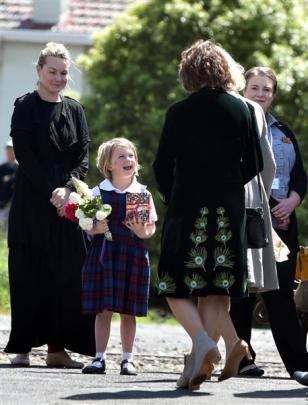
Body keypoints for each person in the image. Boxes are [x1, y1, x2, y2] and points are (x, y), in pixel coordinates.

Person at [152, 40, 262, 390]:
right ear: (225, 69)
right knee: (218, 288)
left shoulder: (178, 112)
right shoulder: (243, 110)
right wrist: (228, 186)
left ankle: (202, 344)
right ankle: (218, 353)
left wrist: (174, 194)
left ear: (189, 72)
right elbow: (255, 163)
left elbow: (161, 165)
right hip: (230, 207)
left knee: (173, 281)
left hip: (187, 205)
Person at [4, 42, 95, 367]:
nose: (58, 78)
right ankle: (23, 348)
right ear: (39, 71)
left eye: (64, 73)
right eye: (52, 71)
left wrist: (68, 189)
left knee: (68, 274)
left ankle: (58, 350)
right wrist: (52, 191)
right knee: (28, 274)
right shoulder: (25, 105)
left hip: (68, 203)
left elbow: (82, 156)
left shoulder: (75, 110)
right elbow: (25, 155)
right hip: (32, 202)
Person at [230, 66, 308, 385]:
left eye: (267, 89)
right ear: (242, 90)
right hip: (250, 217)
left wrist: (292, 202)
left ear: (274, 94)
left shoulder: (284, 131)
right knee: (244, 293)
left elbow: (300, 176)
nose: (261, 94)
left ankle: (299, 366)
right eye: (255, 88)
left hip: (284, 223)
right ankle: (242, 360)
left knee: (281, 297)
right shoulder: (234, 127)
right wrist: (275, 206)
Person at [81, 137, 157, 376]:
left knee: (128, 311)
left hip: (132, 255)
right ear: (108, 165)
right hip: (104, 254)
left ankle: (127, 359)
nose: (128, 160)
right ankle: (99, 358)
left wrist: (140, 231)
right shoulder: (97, 191)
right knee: (103, 310)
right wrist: (95, 229)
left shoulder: (141, 193)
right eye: (121, 157)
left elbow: (150, 228)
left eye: (131, 156)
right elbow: (85, 223)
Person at [0, 140, 18, 231]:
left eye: (11, 150)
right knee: (3, 229)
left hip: (16, 204)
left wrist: (10, 178)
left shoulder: (20, 167)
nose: (9, 152)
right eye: (8, 150)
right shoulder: (2, 168)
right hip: (4, 204)